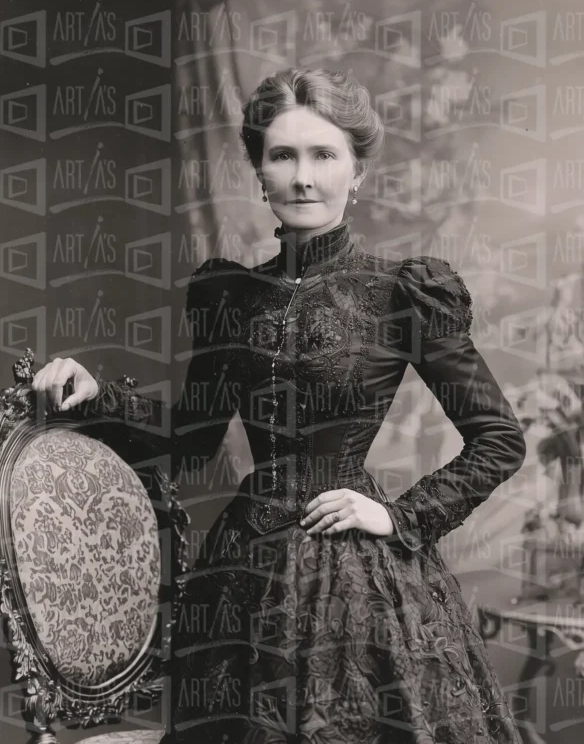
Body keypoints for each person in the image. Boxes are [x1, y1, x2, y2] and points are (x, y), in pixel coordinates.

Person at [32, 67, 527, 744]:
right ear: (259, 172)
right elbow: (195, 437)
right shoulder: (227, 294)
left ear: (357, 174)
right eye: (283, 155)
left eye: (324, 155)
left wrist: (398, 516)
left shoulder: (400, 291)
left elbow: (499, 436)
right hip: (242, 576)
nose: (303, 177)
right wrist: (96, 396)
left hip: (358, 583)